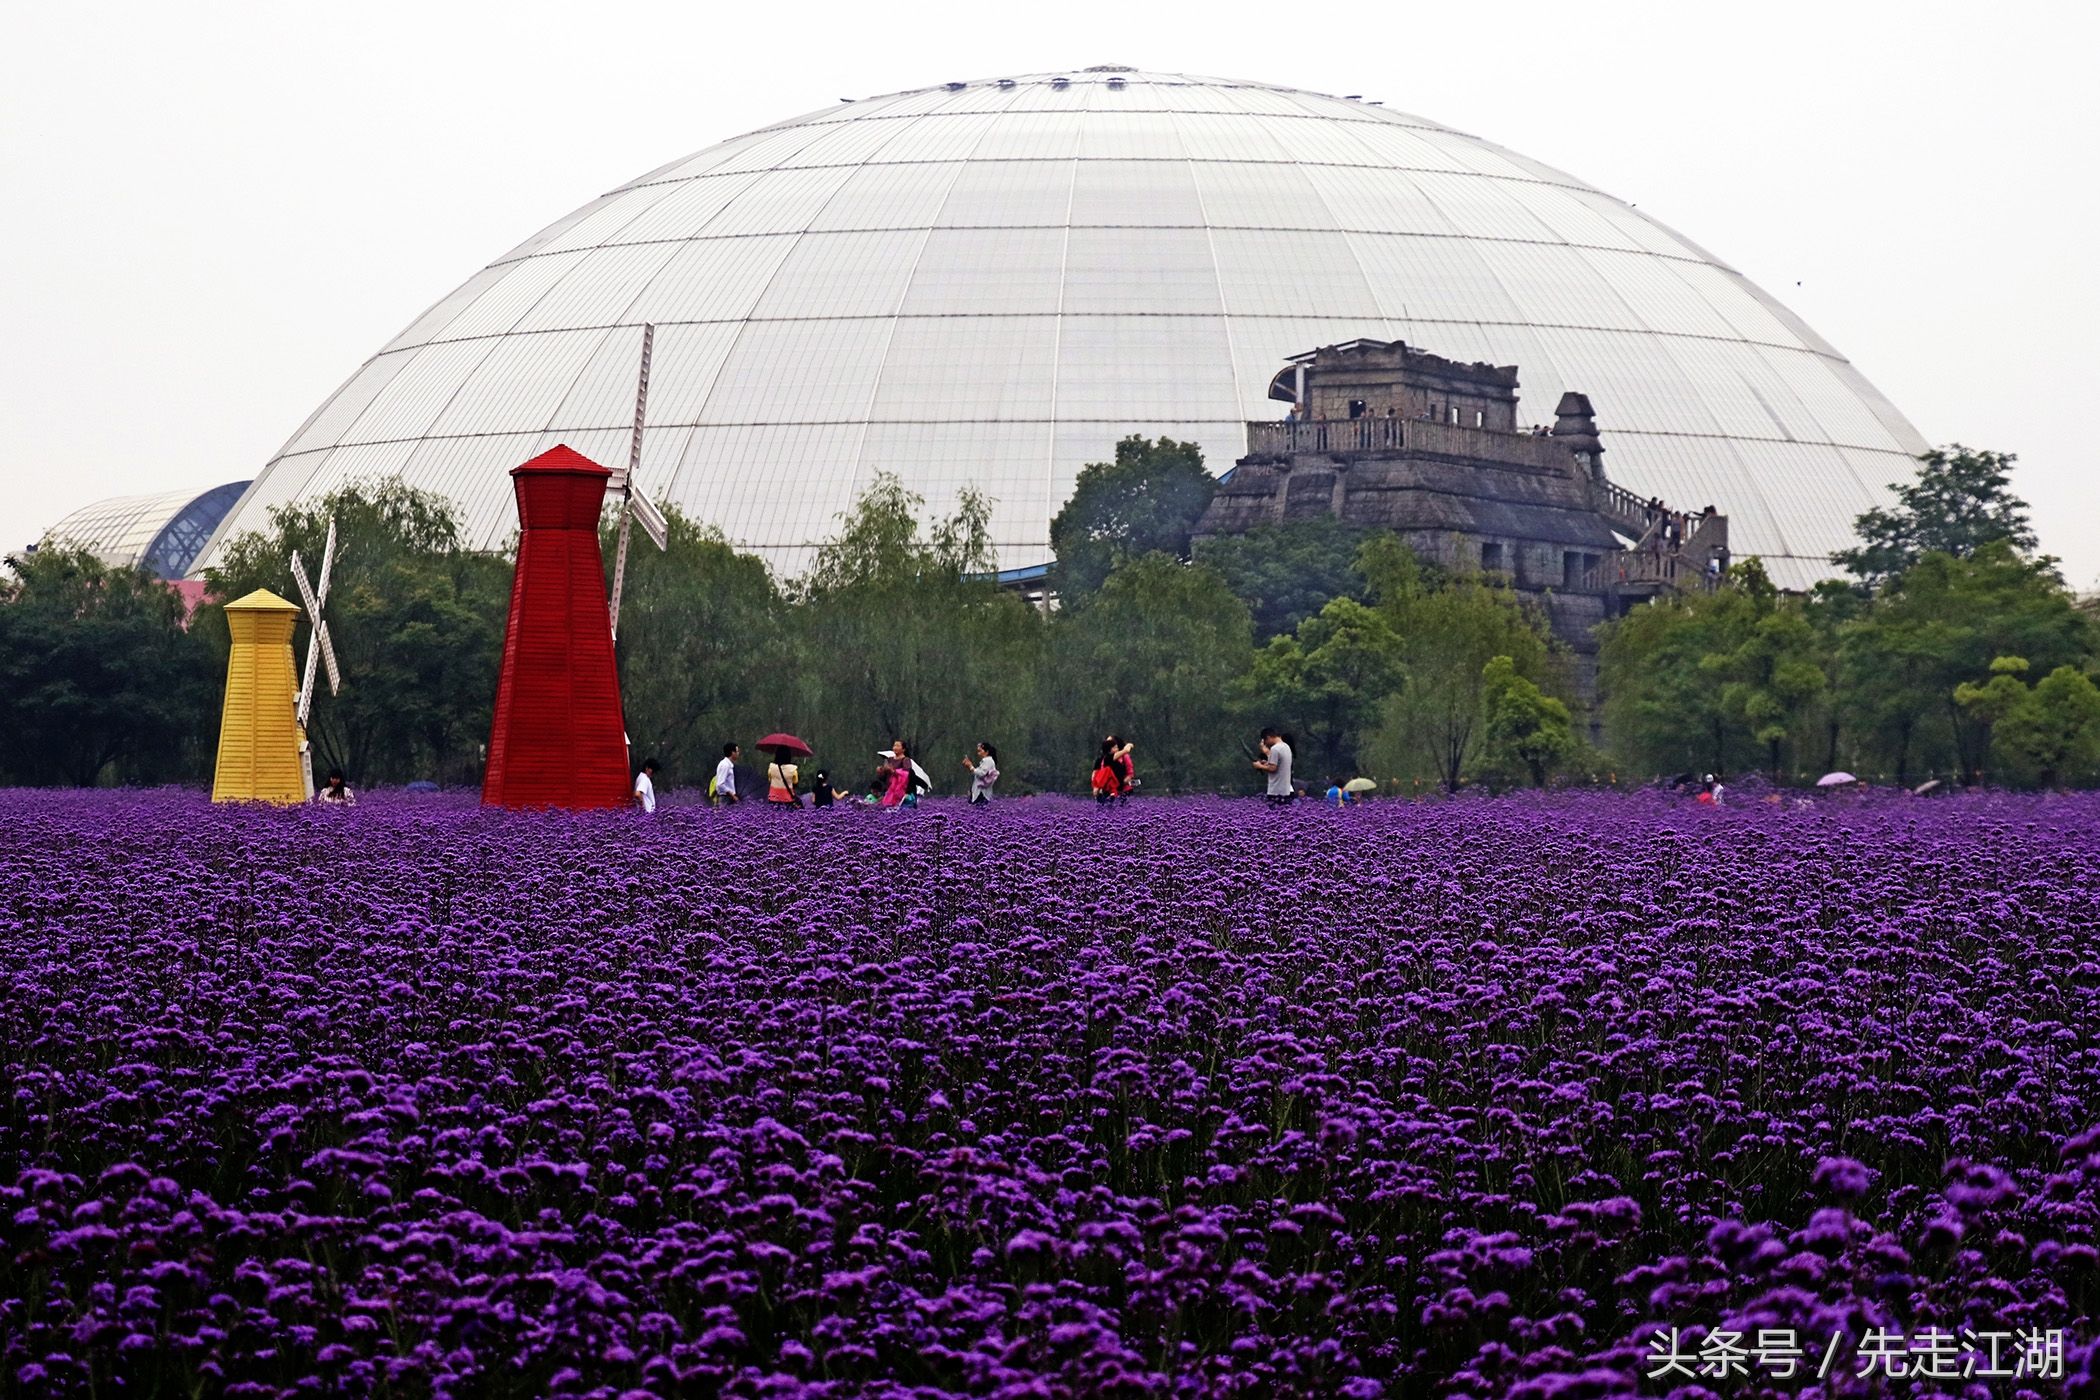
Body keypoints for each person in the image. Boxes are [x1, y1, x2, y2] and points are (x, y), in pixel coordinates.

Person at [1253, 727, 1294, 804]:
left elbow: (1272, 768)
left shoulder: (1275, 749)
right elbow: (1279, 765)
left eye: (1265, 741)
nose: (1265, 744)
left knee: (1274, 813)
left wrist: (1259, 766)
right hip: (1285, 789)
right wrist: (1267, 762)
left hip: (1276, 790)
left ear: (1268, 737)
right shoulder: (1286, 747)